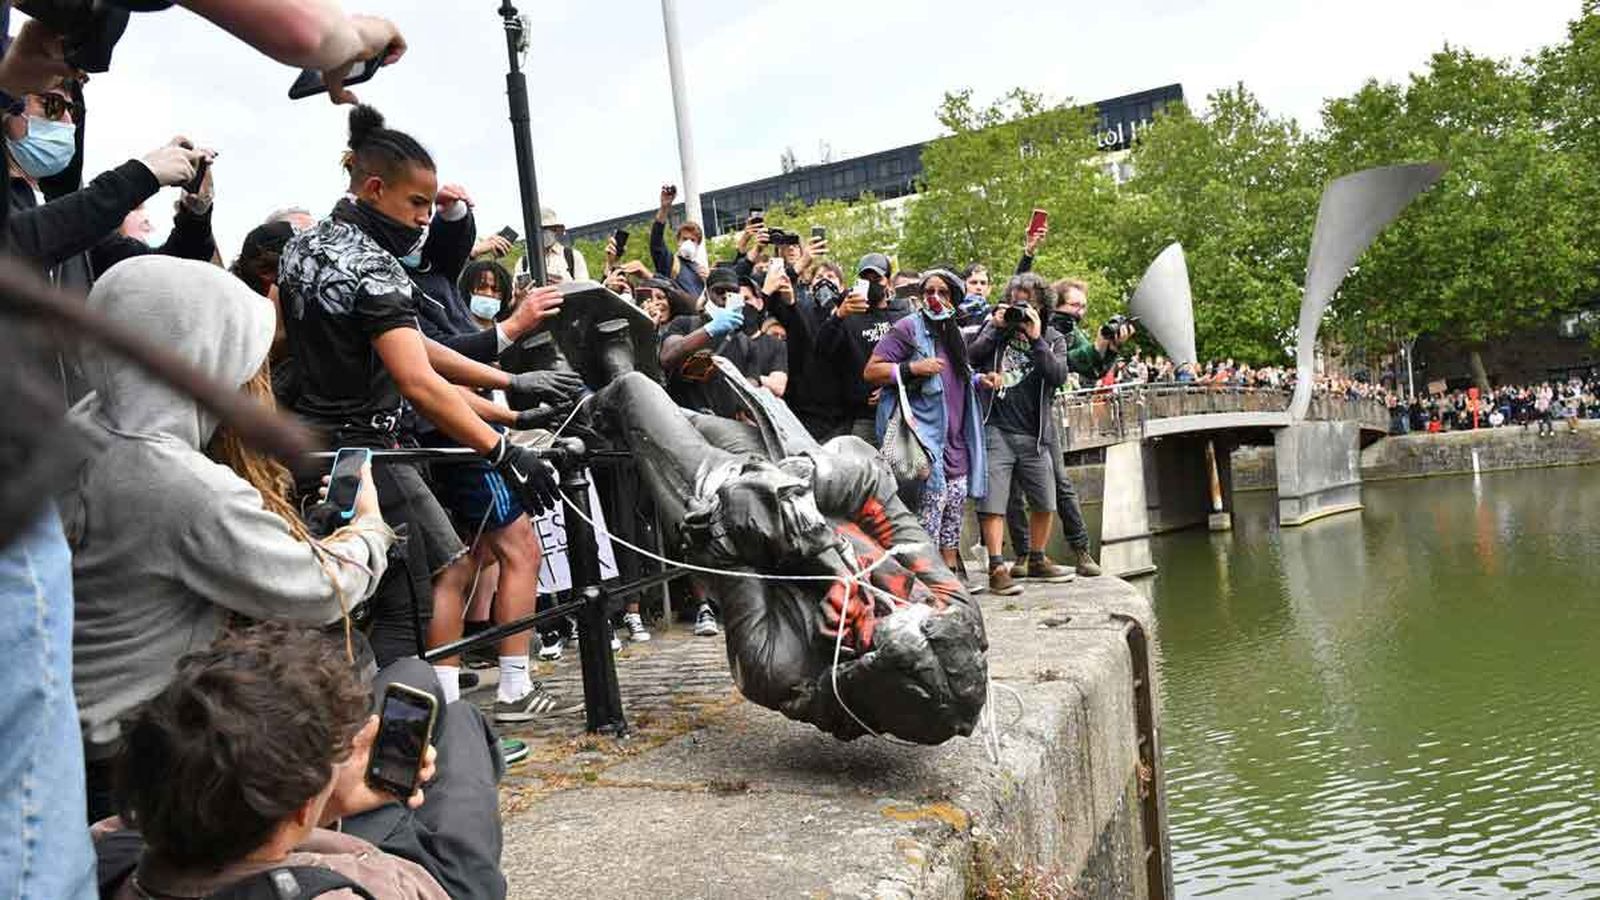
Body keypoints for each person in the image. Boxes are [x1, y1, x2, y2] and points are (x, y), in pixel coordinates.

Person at [61, 256, 397, 821]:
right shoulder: (177, 482)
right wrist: (369, 528)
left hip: (66, 741)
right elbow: (318, 589)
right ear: (202, 355)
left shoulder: (79, 428)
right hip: (137, 753)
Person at [276, 105, 582, 668]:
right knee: (405, 604)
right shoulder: (374, 265)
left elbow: (406, 347)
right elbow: (416, 378)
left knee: (353, 597)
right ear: (374, 189)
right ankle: (402, 739)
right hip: (368, 455)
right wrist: (503, 450)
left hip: (311, 445)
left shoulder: (300, 248)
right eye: (417, 204)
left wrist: (510, 379)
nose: (424, 219)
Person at [94, 622, 508, 899]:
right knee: (459, 718)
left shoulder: (102, 850)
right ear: (299, 807)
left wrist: (326, 804)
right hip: (441, 881)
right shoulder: (339, 893)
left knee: (419, 681)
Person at [864, 269, 989, 569]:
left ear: (954, 299)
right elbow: (871, 371)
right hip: (923, 433)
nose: (934, 298)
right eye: (928, 292)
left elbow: (955, 377)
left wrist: (981, 380)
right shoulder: (908, 327)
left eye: (942, 293)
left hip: (956, 433)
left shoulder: (955, 333)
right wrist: (913, 368)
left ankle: (950, 569)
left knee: (957, 499)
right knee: (934, 499)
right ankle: (928, 573)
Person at [1005, 278, 1126, 579]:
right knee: (1013, 490)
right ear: (1053, 304)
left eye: (1083, 307)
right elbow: (1064, 361)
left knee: (1061, 483)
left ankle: (1081, 550)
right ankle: (1023, 554)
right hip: (1012, 411)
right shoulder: (1030, 326)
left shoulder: (1072, 332)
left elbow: (1090, 367)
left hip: (1043, 414)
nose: (1079, 312)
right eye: (1073, 305)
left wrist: (1110, 346)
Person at [967, 272, 1075, 595]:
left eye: (1027, 299)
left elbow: (1057, 375)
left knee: (1045, 500)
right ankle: (997, 566)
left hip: (1034, 432)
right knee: (993, 501)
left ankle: (1037, 558)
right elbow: (971, 356)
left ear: (1042, 304)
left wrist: (1037, 338)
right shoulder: (996, 328)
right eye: (1016, 297)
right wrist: (996, 329)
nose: (1020, 304)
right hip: (996, 426)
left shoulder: (1053, 337)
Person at [816, 252, 912, 444]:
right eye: (865, 278)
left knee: (907, 470)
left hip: (901, 409)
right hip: (863, 416)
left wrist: (892, 386)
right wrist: (839, 317)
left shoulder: (903, 314)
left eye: (877, 278)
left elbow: (917, 359)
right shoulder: (848, 314)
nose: (871, 283)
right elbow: (821, 352)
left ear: (888, 282)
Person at [648, 183, 707, 299]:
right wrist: (664, 208)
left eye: (693, 240)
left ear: (698, 244)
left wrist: (709, 281)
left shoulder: (700, 271)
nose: (689, 243)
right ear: (678, 241)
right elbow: (656, 242)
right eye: (685, 239)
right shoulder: (671, 263)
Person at [539, 206, 589, 283]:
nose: (545, 233)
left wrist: (563, 286)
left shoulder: (573, 256)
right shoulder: (524, 263)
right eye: (542, 229)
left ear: (556, 230)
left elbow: (584, 289)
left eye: (549, 228)